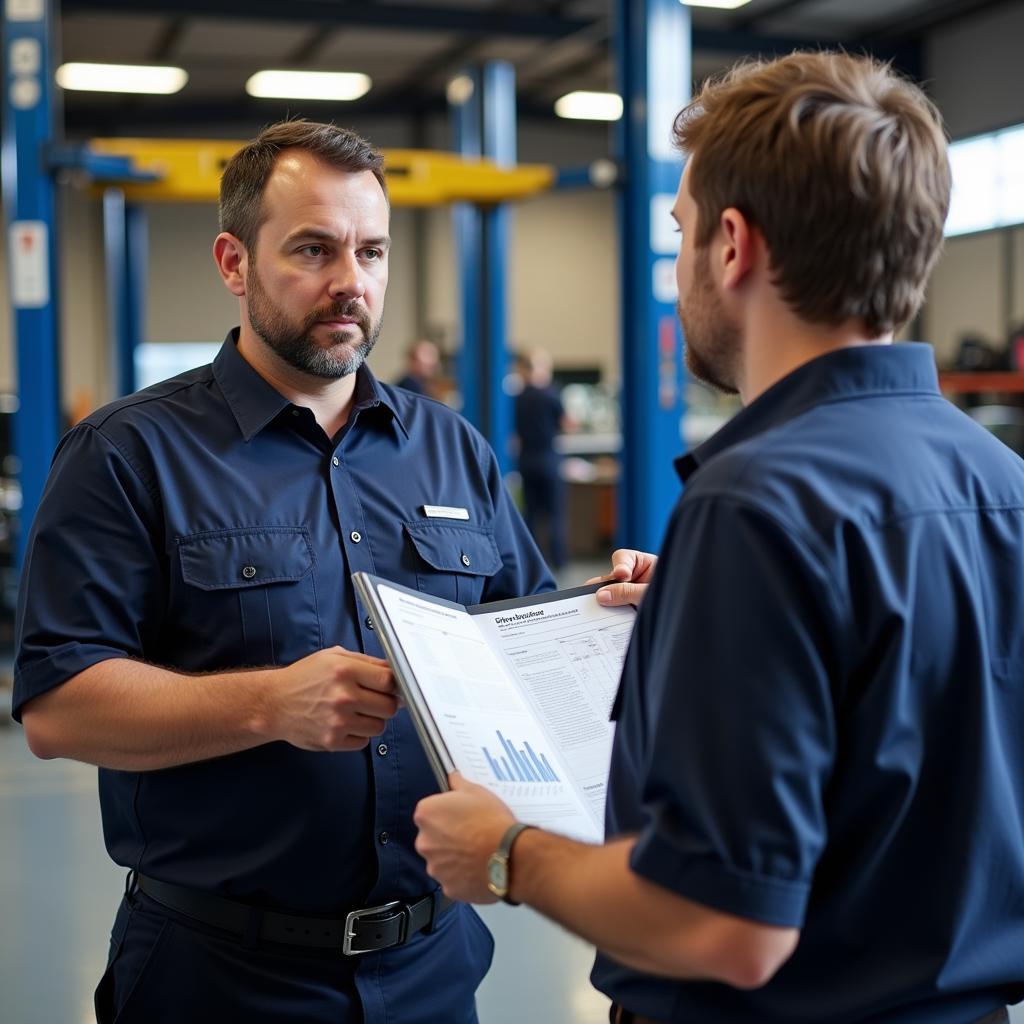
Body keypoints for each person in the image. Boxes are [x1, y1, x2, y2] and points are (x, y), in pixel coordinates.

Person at [413, 52, 1024, 1024]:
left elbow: (725, 926)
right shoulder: (1001, 485)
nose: (682, 256)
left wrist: (503, 851)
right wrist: (713, 613)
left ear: (731, 245)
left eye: (680, 229)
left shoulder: (757, 504)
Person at [13, 119, 553, 1024]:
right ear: (234, 262)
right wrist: (269, 704)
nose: (352, 282)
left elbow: (521, 639)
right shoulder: (128, 454)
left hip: (432, 966)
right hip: (218, 978)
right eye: (314, 249)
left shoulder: (452, 450)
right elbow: (59, 708)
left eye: (372, 251)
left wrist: (610, 618)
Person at [513, 348, 569, 570]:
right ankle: (559, 561)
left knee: (531, 513)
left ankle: (532, 561)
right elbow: (565, 423)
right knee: (555, 513)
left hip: (526, 460)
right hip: (548, 459)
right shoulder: (552, 394)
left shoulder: (519, 397)